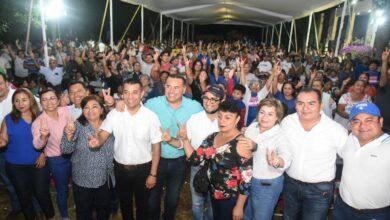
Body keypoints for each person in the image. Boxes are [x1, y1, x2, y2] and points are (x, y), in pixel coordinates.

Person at [89, 79, 162, 220]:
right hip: (120, 169)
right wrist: (97, 140)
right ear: (122, 94)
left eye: (135, 92)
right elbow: (104, 133)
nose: (130, 96)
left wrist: (153, 174)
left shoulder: (151, 117)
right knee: (125, 204)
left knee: (143, 205)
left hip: (143, 169)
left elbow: (156, 147)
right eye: (126, 92)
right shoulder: (115, 114)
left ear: (142, 93)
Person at [282, 87, 348, 220]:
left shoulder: (335, 130)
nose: (305, 108)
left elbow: (349, 158)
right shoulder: (288, 122)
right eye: (300, 103)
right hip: (291, 184)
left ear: (321, 105)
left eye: (311, 103)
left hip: (319, 190)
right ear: (296, 105)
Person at [181, 101, 253, 220]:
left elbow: (247, 180)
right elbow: (195, 159)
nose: (222, 121)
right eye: (219, 116)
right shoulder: (213, 136)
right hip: (214, 194)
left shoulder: (241, 143)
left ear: (237, 119)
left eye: (227, 117)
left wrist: (239, 206)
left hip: (231, 199)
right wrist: (184, 139)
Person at [145, 74, 203, 220]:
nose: (171, 90)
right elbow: (134, 110)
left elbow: (208, 120)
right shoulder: (152, 104)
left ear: (184, 89)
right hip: (155, 159)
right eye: (168, 86)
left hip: (180, 160)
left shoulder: (194, 107)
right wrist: (117, 104)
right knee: (152, 199)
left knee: (172, 197)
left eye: (176, 87)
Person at [0, 88, 54, 220]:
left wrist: (43, 153)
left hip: (38, 163)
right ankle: (31, 217)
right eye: (17, 101)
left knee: (42, 193)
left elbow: (51, 139)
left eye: (24, 99)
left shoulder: (42, 116)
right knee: (23, 195)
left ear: (31, 100)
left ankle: (50, 216)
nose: (20, 103)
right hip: (15, 165)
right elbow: (4, 139)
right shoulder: (8, 119)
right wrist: (2, 141)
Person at [60, 95, 114, 220]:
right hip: (82, 178)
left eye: (94, 107)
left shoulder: (110, 124)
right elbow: (65, 150)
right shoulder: (76, 126)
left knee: (104, 209)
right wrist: (68, 135)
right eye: (86, 108)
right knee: (84, 211)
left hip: (105, 178)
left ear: (101, 109)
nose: (90, 111)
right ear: (82, 111)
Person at [334, 102, 390, 219]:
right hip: (342, 207)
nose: (362, 126)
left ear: (380, 121)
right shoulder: (350, 139)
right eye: (356, 121)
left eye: (369, 120)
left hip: (375, 214)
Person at [241, 98, 291, 220]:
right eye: (262, 112)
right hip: (248, 180)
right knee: (247, 214)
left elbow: (286, 158)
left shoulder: (281, 135)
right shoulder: (253, 127)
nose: (264, 117)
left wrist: (277, 161)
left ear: (277, 117)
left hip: (266, 184)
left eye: (270, 114)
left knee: (261, 217)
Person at [185, 85, 225, 220]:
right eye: (206, 98)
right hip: (198, 168)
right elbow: (186, 143)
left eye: (214, 99)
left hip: (218, 169)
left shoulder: (226, 120)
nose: (209, 102)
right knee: (197, 204)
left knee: (214, 204)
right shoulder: (194, 119)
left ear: (222, 101)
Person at [32, 88, 72, 220]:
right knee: (62, 189)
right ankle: (65, 216)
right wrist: (43, 137)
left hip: (75, 155)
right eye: (44, 99)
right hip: (57, 160)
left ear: (58, 99)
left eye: (52, 98)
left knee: (78, 183)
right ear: (41, 103)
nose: (49, 102)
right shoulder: (39, 122)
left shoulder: (65, 110)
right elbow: (37, 144)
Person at [0, 72, 22, 218]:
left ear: (7, 82)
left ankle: (36, 208)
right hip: (1, 149)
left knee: (26, 179)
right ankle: (17, 206)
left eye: (0, 83)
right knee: (8, 180)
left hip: (21, 147)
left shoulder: (19, 96)